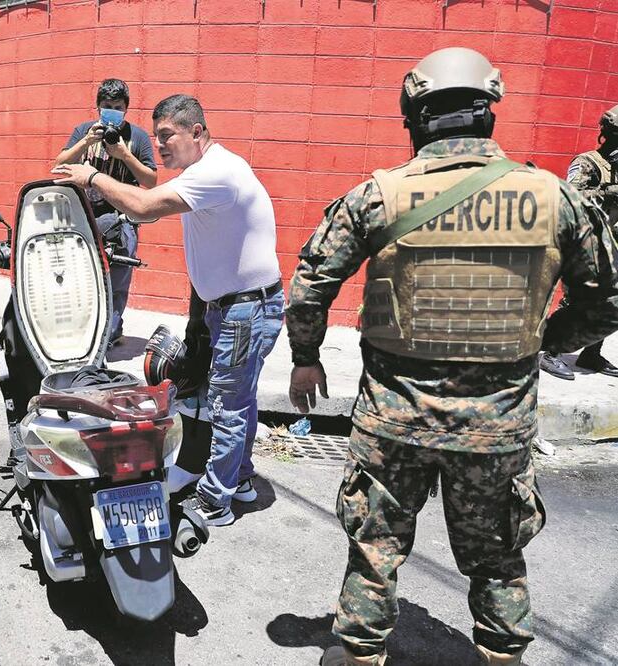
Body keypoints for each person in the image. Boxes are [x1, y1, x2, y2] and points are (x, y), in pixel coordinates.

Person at [285, 48, 618, 666]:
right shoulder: (555, 199)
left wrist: (306, 356)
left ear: (414, 115)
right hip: (498, 427)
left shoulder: (378, 196)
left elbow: (311, 284)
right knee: (495, 559)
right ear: (489, 113)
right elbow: (609, 299)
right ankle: (499, 655)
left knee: (375, 550)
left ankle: (359, 652)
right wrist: (546, 337)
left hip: (394, 422)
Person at [52, 94, 282, 527]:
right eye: (155, 137)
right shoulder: (206, 168)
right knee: (239, 399)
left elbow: (143, 206)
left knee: (228, 405)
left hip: (245, 311)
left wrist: (93, 176)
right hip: (231, 306)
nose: (159, 146)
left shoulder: (215, 173)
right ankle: (241, 479)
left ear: (196, 132)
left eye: (166, 136)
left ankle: (216, 502)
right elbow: (153, 211)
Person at [54, 78, 157, 344]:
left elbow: (151, 181)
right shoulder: (84, 131)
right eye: (107, 106)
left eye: (118, 107)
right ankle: (81, 329)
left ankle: (110, 332)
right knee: (78, 275)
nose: (112, 111)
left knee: (118, 282)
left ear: (126, 109)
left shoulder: (138, 137)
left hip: (122, 221)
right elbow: (59, 163)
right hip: (84, 218)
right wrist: (86, 142)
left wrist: (125, 155)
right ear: (98, 107)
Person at [539, 102, 618, 380]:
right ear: (609, 135)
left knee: (613, 302)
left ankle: (591, 354)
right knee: (578, 300)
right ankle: (552, 353)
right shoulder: (588, 163)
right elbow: (572, 199)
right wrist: (609, 192)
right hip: (590, 244)